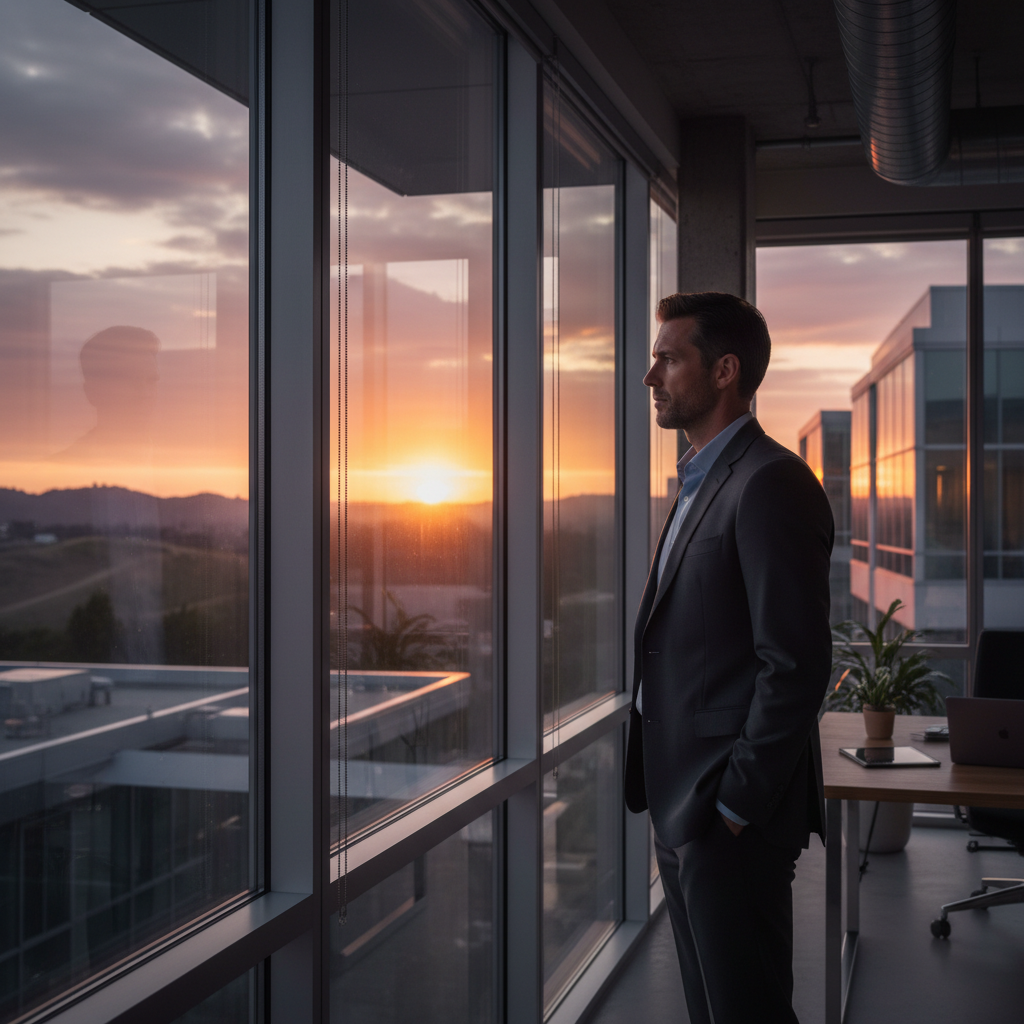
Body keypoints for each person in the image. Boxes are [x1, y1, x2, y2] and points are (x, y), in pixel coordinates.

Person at [625, 292, 833, 1024]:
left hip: (727, 814)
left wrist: (737, 805)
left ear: (724, 371)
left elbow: (797, 664)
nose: (652, 376)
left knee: (747, 1012)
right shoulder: (700, 480)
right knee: (712, 1010)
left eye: (668, 358)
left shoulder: (769, 483)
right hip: (684, 803)